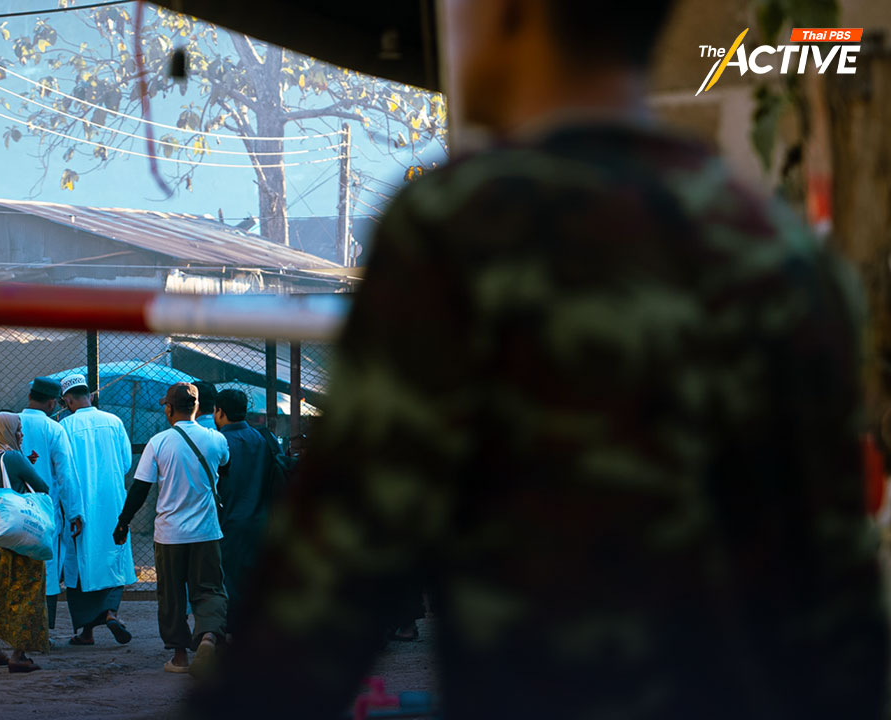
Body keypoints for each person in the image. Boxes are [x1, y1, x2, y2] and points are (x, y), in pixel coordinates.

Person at [189, 0, 890, 717]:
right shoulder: (790, 256)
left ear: (510, 11)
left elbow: (324, 597)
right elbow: (838, 612)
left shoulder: (464, 227)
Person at [116, 382, 228, 674]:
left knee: (172, 594)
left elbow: (140, 490)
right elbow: (225, 472)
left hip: (169, 534)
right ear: (198, 407)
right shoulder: (216, 440)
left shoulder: (159, 442)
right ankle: (208, 635)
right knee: (210, 588)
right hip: (206, 532)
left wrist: (123, 521)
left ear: (168, 408)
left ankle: (180, 656)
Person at [0, 412, 50, 673]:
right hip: (17, 538)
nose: (21, 435)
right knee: (26, 589)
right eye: (17, 430)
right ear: (5, 432)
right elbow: (42, 487)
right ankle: (19, 654)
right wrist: (27, 465)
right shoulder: (12, 457)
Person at [59, 374, 136, 646]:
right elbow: (126, 462)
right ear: (90, 396)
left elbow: (63, 470)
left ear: (67, 401)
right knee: (113, 557)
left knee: (80, 561)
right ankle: (112, 614)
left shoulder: (65, 426)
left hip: (79, 505)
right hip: (113, 502)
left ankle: (87, 632)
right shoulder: (114, 422)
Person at [211, 389, 282, 637]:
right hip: (260, 519)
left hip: (228, 520)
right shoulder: (262, 438)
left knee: (227, 578)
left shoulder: (219, 442)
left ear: (219, 411)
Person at [17, 377, 85, 634]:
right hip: (45, 510)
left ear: (29, 396)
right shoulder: (54, 429)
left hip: (13, 509)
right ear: (52, 402)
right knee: (47, 567)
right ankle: (41, 629)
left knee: (18, 565)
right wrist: (75, 512)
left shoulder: (11, 423)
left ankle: (18, 627)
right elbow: (66, 475)